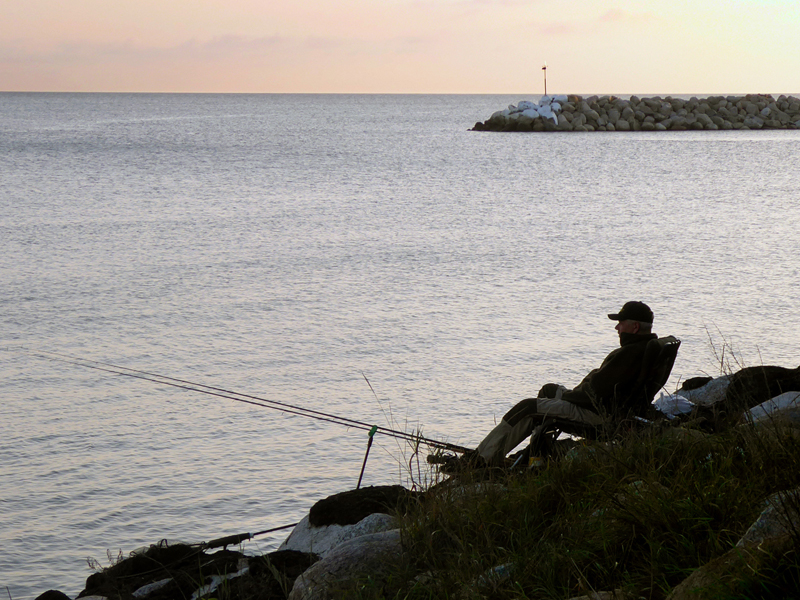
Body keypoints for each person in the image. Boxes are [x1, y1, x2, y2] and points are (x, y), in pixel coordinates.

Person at [471, 301, 659, 467]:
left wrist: (568, 397)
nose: (617, 328)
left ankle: (481, 459)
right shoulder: (645, 348)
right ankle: (534, 455)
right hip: (607, 408)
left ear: (635, 327)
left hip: (597, 414)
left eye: (621, 323)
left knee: (528, 408)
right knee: (548, 391)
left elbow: (592, 393)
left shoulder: (629, 354)